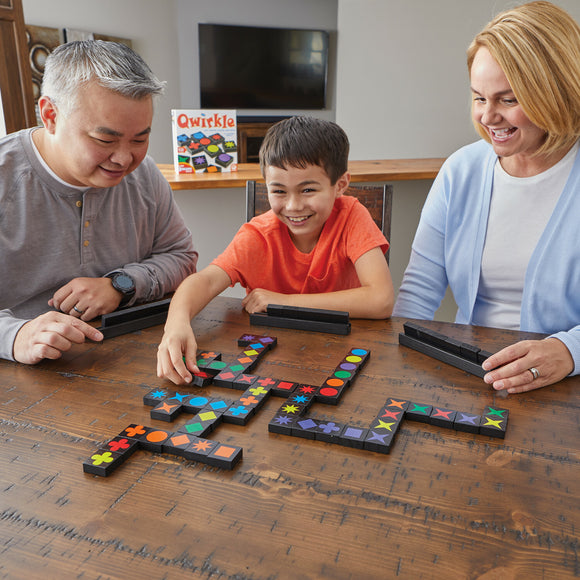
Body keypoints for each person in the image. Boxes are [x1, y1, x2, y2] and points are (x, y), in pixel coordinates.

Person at [394, 1, 580, 394]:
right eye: (479, 97)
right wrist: (387, 369)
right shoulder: (460, 171)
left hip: (565, 385)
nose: (487, 117)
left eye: (508, 100)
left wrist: (569, 350)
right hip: (471, 377)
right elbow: (418, 292)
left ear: (557, 92)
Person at [0, 40, 197, 365]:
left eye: (140, 139)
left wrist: (122, 284)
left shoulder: (145, 175)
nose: (124, 158)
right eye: (105, 139)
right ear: (50, 115)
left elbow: (181, 257)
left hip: (127, 355)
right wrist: (15, 336)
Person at [157, 116, 394, 384]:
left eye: (307, 190)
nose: (293, 206)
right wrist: (176, 324)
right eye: (279, 191)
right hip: (270, 366)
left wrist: (284, 301)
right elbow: (205, 280)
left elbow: (381, 299)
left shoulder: (352, 216)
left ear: (340, 185)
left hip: (345, 360)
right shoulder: (258, 235)